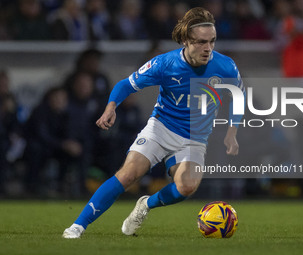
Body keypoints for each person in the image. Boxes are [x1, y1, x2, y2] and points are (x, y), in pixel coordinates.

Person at [63, 7, 245, 239]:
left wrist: (232, 131)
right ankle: (77, 226)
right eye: (200, 42)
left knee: (187, 187)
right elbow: (125, 85)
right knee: (128, 174)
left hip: (195, 137)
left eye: (212, 41)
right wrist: (111, 107)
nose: (208, 48)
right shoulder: (164, 64)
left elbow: (239, 95)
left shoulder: (225, 66)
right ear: (186, 41)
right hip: (161, 128)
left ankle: (145, 205)